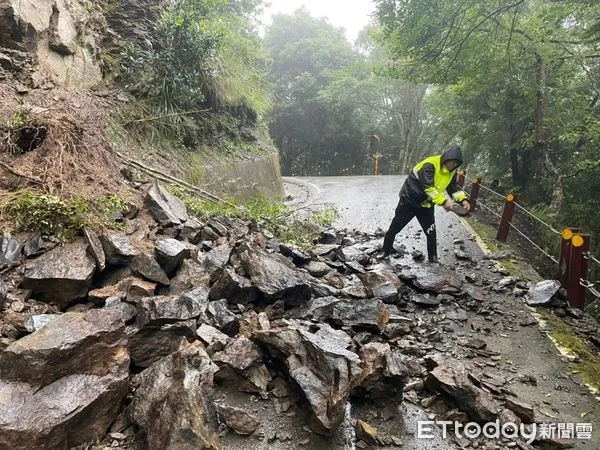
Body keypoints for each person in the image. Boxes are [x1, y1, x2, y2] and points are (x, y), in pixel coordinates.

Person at [380, 144, 471, 263]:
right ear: (445, 158)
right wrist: (444, 202)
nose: (452, 166)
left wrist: (462, 199)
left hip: (426, 205)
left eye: (455, 164)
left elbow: (453, 187)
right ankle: (386, 250)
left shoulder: (452, 172)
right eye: (451, 162)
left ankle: (433, 259)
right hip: (409, 201)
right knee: (395, 227)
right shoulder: (430, 165)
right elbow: (428, 188)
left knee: (431, 233)